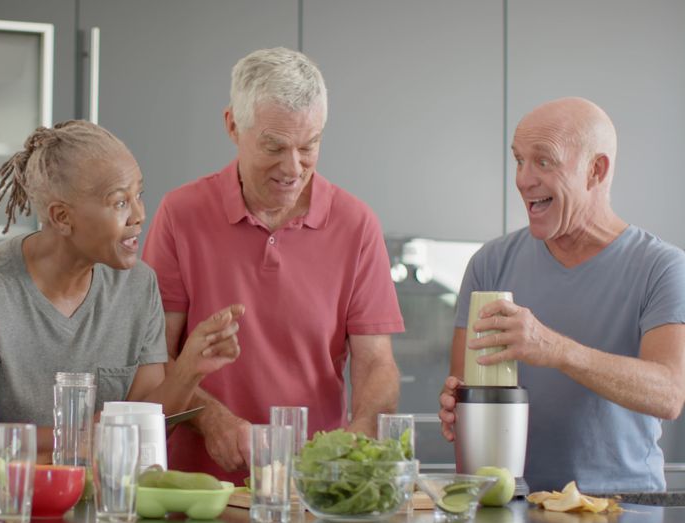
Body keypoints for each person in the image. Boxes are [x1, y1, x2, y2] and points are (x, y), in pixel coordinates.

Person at [142, 47, 405, 482]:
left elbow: (376, 363)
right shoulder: (181, 213)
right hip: (198, 491)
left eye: (309, 146)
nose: (293, 167)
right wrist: (213, 420)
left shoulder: (356, 224)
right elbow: (155, 359)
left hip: (311, 486)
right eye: (274, 146)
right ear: (232, 126)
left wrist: (359, 439)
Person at [0, 120, 243, 456]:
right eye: (119, 202)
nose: (139, 214)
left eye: (138, 195)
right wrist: (84, 436)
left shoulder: (138, 286)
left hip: (107, 504)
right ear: (61, 217)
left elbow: (145, 426)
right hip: (11, 504)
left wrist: (189, 371)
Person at [438, 97, 685, 493]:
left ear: (595, 170)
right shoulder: (490, 263)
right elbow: (464, 388)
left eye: (544, 161)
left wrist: (556, 349)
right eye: (519, 160)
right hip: (510, 502)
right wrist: (457, 407)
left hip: (624, 508)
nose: (523, 179)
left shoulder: (662, 267)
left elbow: (670, 394)